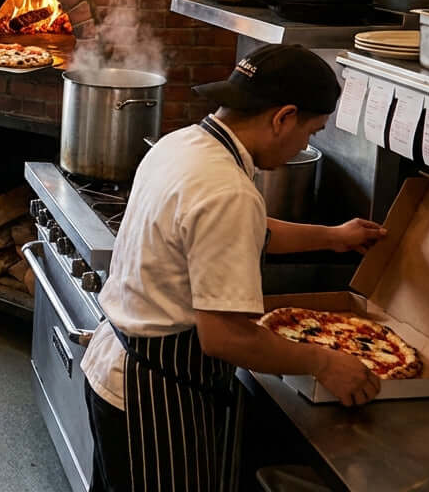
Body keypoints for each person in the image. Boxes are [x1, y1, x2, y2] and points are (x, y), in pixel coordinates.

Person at [81, 43, 387, 492]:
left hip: (118, 368)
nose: (305, 144)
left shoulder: (183, 144)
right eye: (312, 131)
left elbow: (247, 231)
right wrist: (324, 362)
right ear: (283, 117)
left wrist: (332, 236)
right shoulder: (227, 190)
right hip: (156, 398)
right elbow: (225, 336)